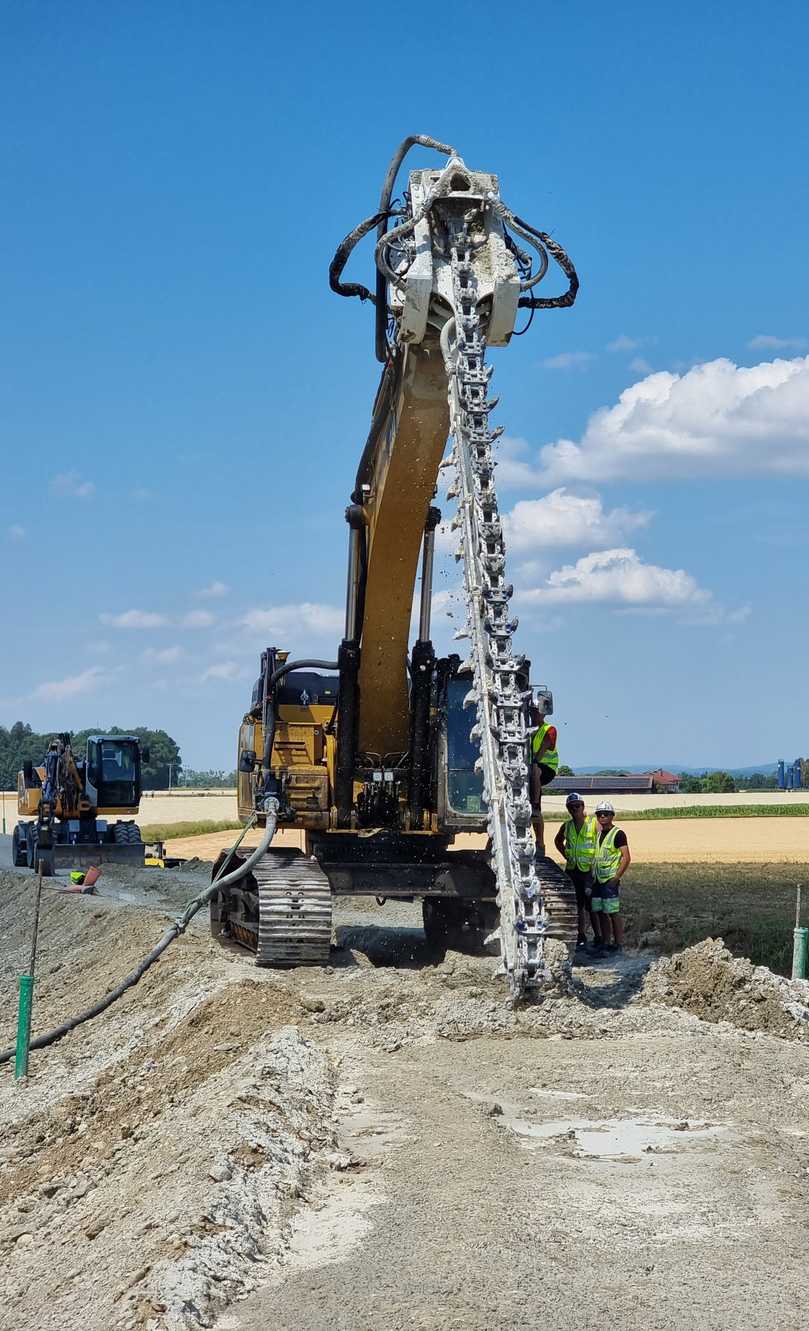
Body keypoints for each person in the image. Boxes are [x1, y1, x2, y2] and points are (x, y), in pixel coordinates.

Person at [553, 792, 598, 952]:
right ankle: (581, 936)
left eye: (577, 806)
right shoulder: (567, 826)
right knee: (576, 905)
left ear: (583, 806)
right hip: (573, 870)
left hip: (588, 871)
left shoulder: (593, 824)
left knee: (591, 905)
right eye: (571, 807)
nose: (575, 809)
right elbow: (557, 840)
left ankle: (598, 937)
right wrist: (566, 854)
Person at [591, 801, 631, 954]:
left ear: (612, 816)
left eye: (606, 814)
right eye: (599, 814)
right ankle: (606, 943)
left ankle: (619, 944)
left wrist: (616, 877)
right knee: (600, 911)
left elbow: (626, 857)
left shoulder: (618, 834)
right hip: (598, 880)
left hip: (609, 880)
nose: (602, 816)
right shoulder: (599, 834)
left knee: (613, 912)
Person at [528, 694, 559, 856]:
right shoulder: (524, 730)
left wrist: (532, 763)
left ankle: (535, 804)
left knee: (535, 769)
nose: (534, 714)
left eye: (537, 711)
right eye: (532, 711)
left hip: (545, 769)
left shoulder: (549, 730)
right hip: (530, 770)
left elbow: (540, 754)